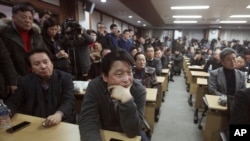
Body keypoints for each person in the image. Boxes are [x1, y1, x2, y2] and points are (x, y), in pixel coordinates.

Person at [79, 49, 148, 141]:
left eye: (129, 72)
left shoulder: (139, 90)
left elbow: (132, 132)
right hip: (105, 132)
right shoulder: (95, 86)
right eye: (119, 74)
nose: (126, 79)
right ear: (105, 77)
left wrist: (127, 99)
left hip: (131, 133)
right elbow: (88, 122)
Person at [6, 48, 76, 126]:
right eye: (36, 64)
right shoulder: (25, 81)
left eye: (45, 62)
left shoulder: (65, 78)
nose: (43, 66)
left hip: (62, 122)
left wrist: (58, 114)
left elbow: (69, 100)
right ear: (31, 69)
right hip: (35, 123)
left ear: (52, 63)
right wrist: (7, 112)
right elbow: (14, 101)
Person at [0, 2, 45, 76]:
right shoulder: (4, 35)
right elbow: (4, 61)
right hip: (16, 79)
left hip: (37, 76)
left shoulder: (37, 35)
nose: (28, 21)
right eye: (23, 17)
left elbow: (44, 53)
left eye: (30, 18)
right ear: (13, 18)